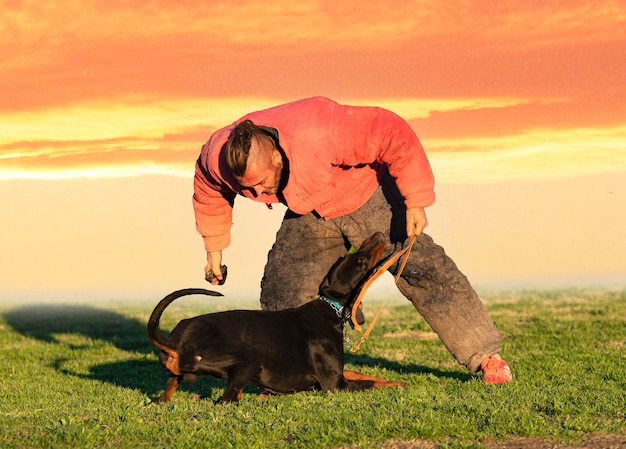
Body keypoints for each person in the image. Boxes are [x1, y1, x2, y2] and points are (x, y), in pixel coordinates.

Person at [192, 96, 512, 384]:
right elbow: (208, 190)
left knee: (425, 269)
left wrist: (415, 200)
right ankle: (293, 374)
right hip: (310, 212)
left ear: (276, 156)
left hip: (367, 195)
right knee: (284, 290)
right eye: (248, 188)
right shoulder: (217, 156)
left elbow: (391, 132)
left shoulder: (320, 128)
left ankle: (487, 358)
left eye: (262, 184)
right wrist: (214, 252)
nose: (259, 195)